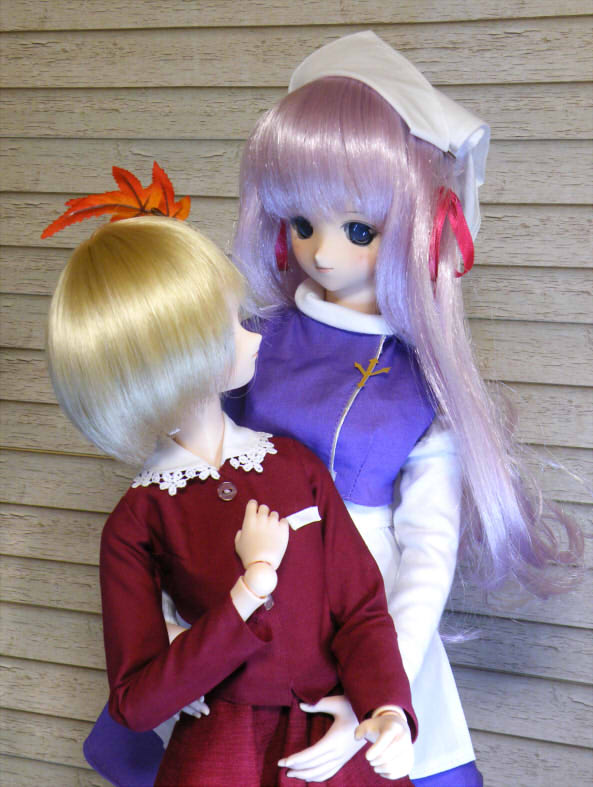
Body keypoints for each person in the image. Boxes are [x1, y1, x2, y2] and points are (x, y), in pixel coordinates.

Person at [224, 31, 582, 786]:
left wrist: (380, 681)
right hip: (243, 586)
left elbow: (427, 548)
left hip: (364, 609)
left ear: (426, 228)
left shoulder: (420, 383)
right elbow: (191, 473)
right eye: (302, 223)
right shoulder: (255, 339)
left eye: (358, 229)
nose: (324, 253)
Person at [46, 211, 420, 786]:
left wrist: (387, 707)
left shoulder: (293, 465)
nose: (256, 336)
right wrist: (248, 593)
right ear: (177, 357)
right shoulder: (140, 519)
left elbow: (361, 609)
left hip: (330, 742)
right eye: (232, 326)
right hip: (224, 756)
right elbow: (136, 701)